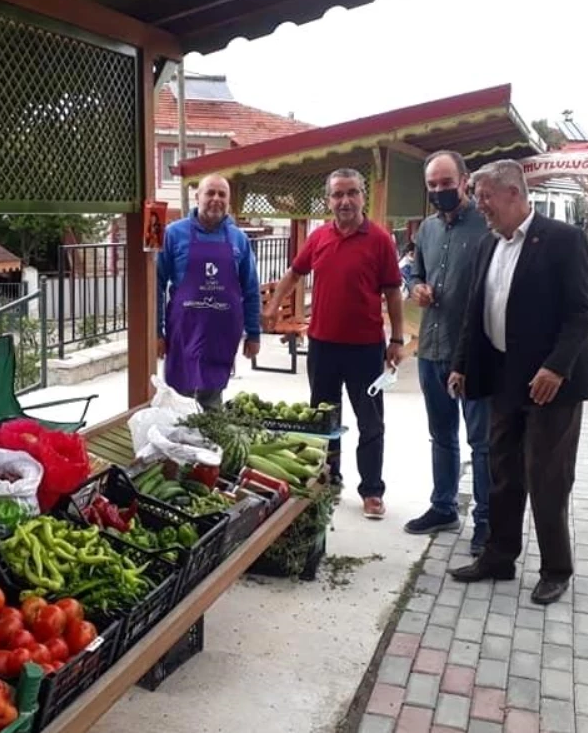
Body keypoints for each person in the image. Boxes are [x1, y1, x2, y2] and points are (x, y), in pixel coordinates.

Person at [446, 160, 588, 605]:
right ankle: (499, 557)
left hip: (550, 386)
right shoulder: (488, 245)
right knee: (503, 471)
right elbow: (473, 314)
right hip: (504, 379)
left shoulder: (563, 240)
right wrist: (461, 364)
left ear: (513, 195)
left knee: (548, 477)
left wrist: (556, 367)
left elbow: (581, 312)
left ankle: (556, 569)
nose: (480, 207)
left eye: (485, 199)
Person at [264, 168, 405, 520]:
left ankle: (372, 490)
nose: (344, 201)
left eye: (351, 193)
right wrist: (271, 306)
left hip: (366, 349)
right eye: (337, 195)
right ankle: (329, 478)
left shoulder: (380, 239)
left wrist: (398, 338)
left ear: (362, 197)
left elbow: (392, 292)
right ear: (329, 200)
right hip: (323, 346)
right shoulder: (319, 237)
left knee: (371, 423)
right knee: (324, 419)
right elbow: (295, 273)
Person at [404, 151, 492, 555]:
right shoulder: (426, 230)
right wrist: (416, 287)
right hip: (431, 348)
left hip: (471, 352)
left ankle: (487, 521)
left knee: (481, 441)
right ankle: (443, 507)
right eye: (432, 185)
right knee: (441, 435)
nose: (439, 191)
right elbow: (415, 272)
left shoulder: (487, 228)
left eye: (445, 183)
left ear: (465, 180)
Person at [156, 174, 261, 410]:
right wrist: (157, 331)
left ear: (229, 201)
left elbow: (251, 290)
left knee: (212, 404)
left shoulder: (239, 239)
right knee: (178, 402)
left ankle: (211, 446)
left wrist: (253, 333)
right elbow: (157, 284)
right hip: (183, 333)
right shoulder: (173, 234)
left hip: (222, 335)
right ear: (197, 197)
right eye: (210, 193)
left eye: (222, 194)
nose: (216, 199)